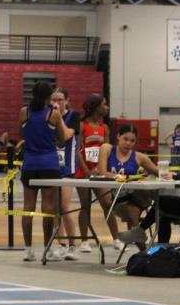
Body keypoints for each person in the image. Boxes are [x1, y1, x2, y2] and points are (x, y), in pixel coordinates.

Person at [18, 81, 69, 262]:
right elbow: (62, 139)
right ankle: (47, 250)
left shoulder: (24, 112)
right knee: (48, 208)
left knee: (28, 208)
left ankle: (28, 250)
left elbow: (22, 135)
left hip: (29, 164)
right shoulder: (53, 114)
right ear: (49, 97)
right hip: (49, 164)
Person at [96, 124, 165, 248]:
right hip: (119, 200)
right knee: (132, 212)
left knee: (157, 194)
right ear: (118, 136)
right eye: (125, 139)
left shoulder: (139, 157)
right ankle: (142, 246)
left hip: (138, 197)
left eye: (132, 141)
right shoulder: (107, 149)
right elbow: (102, 172)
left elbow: (159, 172)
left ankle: (145, 237)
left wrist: (173, 174)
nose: (128, 143)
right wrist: (123, 178)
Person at [74, 94, 121, 251]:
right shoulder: (82, 126)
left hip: (99, 172)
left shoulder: (104, 128)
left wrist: (102, 169)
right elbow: (76, 150)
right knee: (85, 205)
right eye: (104, 104)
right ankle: (84, 241)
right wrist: (87, 171)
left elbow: (107, 151)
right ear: (96, 107)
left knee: (107, 204)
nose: (107, 107)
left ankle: (117, 239)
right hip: (83, 172)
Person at [52, 88, 81, 260]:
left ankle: (72, 245)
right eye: (53, 99)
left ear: (67, 100)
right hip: (51, 166)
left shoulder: (73, 116)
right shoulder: (49, 116)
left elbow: (66, 136)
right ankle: (61, 244)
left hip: (67, 168)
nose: (56, 102)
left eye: (60, 99)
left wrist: (58, 117)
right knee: (55, 208)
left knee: (64, 206)